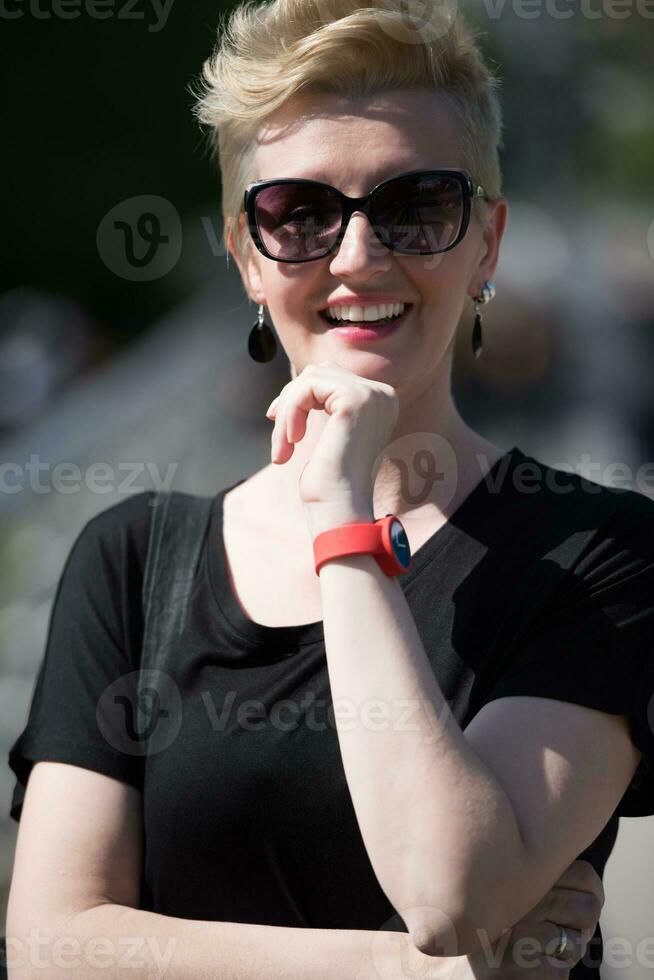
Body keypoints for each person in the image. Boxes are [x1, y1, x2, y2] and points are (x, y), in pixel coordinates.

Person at [5, 2, 654, 978]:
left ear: (486, 243)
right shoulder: (136, 558)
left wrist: (343, 519)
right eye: (298, 214)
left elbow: (450, 891)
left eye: (417, 205)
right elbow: (52, 943)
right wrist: (408, 970)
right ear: (245, 257)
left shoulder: (599, 549)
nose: (356, 255)